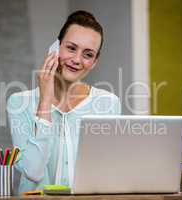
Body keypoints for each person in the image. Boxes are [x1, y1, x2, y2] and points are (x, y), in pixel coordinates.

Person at [7, 10, 121, 193]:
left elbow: (109, 171)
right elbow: (33, 171)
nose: (77, 60)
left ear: (94, 62)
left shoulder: (108, 103)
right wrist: (45, 101)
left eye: (88, 54)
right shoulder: (19, 102)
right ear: (56, 47)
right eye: (71, 48)